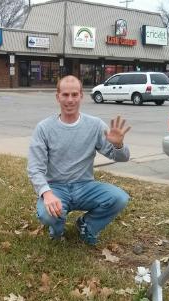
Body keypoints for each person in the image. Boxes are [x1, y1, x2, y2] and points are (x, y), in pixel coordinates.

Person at [27, 75, 131, 244]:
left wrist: (119, 146)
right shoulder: (44, 128)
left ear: (81, 96)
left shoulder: (95, 125)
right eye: (65, 95)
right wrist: (47, 194)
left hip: (85, 186)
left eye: (75, 95)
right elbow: (34, 168)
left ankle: (87, 226)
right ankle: (57, 231)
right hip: (57, 187)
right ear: (57, 97)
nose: (70, 100)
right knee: (47, 215)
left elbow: (122, 157)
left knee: (119, 198)